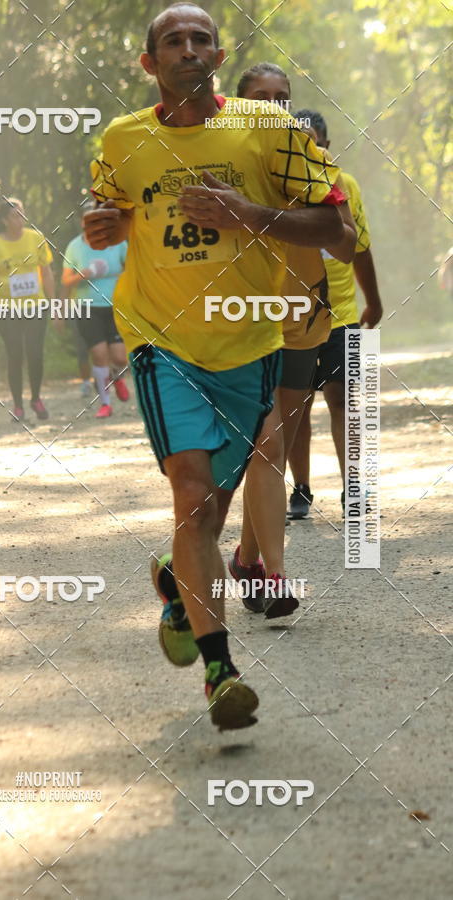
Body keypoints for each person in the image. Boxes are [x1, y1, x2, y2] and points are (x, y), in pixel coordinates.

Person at [83, 4, 346, 731]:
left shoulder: (271, 130)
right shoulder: (121, 139)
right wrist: (103, 224)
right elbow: (110, 211)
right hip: (160, 339)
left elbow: (339, 227)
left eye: (202, 38)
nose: (189, 48)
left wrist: (248, 215)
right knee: (192, 497)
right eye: (174, 40)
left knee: (211, 508)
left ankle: (177, 581)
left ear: (220, 54)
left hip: (250, 343)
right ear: (150, 64)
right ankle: (221, 673)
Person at [228, 64, 357, 609]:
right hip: (239, 318)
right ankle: (274, 576)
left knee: (273, 448)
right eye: (262, 97)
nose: (275, 106)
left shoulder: (314, 163)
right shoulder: (220, 161)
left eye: (283, 97)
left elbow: (347, 244)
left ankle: (245, 559)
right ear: (238, 105)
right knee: (267, 443)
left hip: (304, 319)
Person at [286, 110, 383, 518]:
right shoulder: (279, 186)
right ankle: (302, 489)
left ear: (325, 144)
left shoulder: (345, 185)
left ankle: (354, 489)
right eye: (300, 142)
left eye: (314, 140)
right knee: (297, 407)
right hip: (292, 316)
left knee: (343, 400)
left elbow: (359, 247)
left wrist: (372, 299)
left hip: (340, 314)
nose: (309, 148)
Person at [0, 198, 56, 422]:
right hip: (6, 308)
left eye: (22, 213)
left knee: (35, 352)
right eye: (15, 215)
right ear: (5, 220)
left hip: (35, 306)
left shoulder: (36, 238)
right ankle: (17, 405)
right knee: (15, 354)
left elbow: (47, 272)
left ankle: (36, 398)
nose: (20, 218)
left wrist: (54, 304)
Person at [62, 209, 130, 418]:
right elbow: (66, 281)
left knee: (120, 357)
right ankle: (105, 403)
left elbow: (132, 270)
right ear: (83, 224)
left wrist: (115, 273)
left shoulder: (118, 243)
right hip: (86, 307)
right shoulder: (74, 247)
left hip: (114, 305)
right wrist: (84, 274)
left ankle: (115, 375)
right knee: (99, 355)